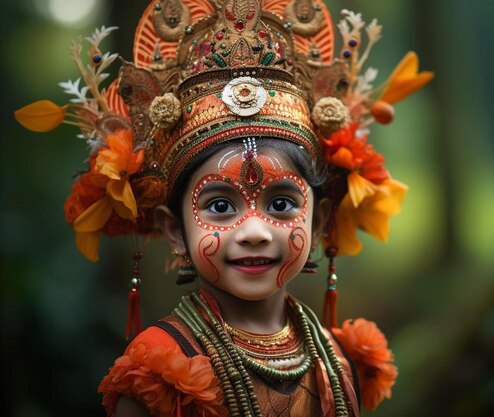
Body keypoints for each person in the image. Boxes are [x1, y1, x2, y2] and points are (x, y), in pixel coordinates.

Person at [15, 0, 432, 416]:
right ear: (175, 230)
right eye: (219, 205)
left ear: (320, 219)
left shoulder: (342, 361)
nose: (254, 229)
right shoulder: (158, 375)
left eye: (282, 203)